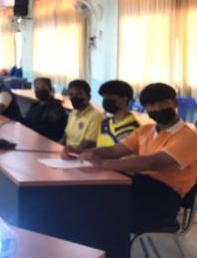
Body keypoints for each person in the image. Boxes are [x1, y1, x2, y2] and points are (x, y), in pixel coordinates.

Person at [79, 83, 197, 234]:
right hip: (141, 186)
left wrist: (103, 163)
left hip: (164, 199)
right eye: (151, 105)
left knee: (103, 213)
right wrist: (81, 152)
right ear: (145, 108)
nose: (158, 108)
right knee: (91, 199)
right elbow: (114, 150)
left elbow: (153, 162)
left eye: (163, 103)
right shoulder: (145, 131)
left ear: (174, 103)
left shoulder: (189, 137)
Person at [61, 79, 103, 155]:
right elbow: (66, 137)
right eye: (71, 94)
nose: (74, 97)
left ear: (88, 96)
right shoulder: (72, 113)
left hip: (80, 155)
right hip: (66, 154)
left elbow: (90, 144)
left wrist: (72, 153)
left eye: (79, 94)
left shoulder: (96, 116)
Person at [21, 77, 67, 142]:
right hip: (31, 138)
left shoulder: (56, 108)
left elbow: (49, 130)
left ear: (50, 89)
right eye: (37, 88)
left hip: (46, 142)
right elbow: (27, 121)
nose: (40, 90)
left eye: (43, 87)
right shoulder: (35, 105)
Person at [96, 80, 139, 147]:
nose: (106, 100)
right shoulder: (105, 123)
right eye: (104, 97)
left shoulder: (134, 127)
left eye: (109, 96)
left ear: (124, 98)